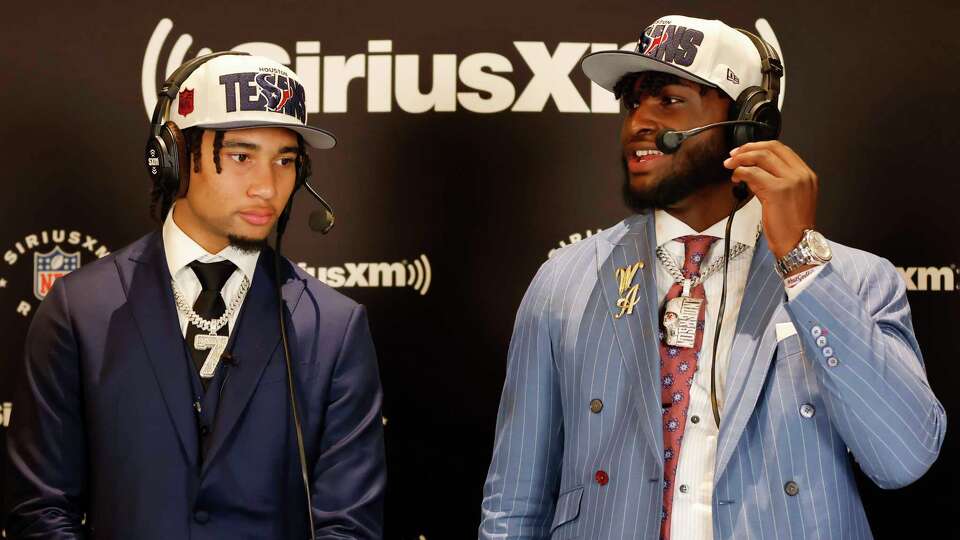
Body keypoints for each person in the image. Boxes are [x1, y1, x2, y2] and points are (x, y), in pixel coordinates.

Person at [479, 14, 945, 540]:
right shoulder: (563, 281)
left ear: (750, 123)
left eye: (668, 100)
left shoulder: (858, 280)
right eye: (632, 102)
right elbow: (513, 502)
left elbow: (904, 457)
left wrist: (803, 263)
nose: (637, 124)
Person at [5, 53, 385, 539]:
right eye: (241, 156)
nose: (267, 186)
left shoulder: (333, 326)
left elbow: (350, 526)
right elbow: (40, 510)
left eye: (286, 161)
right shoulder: (80, 308)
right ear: (172, 157)